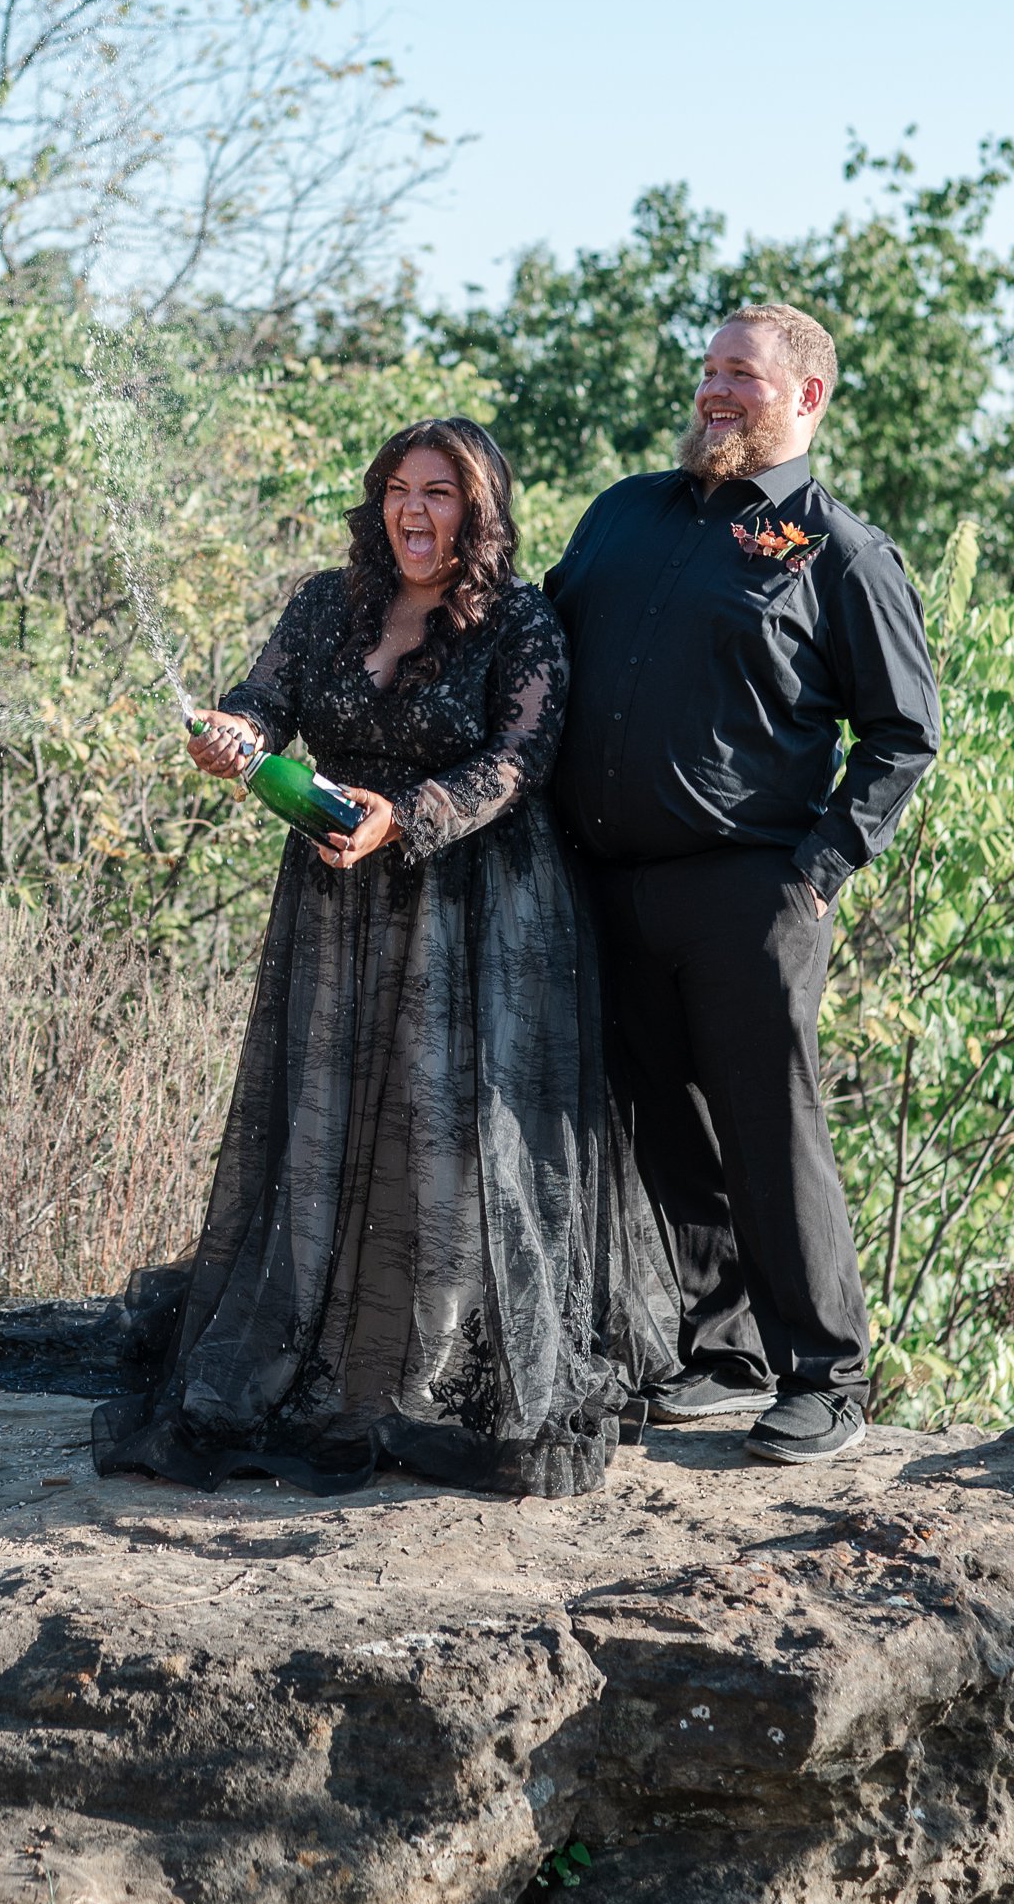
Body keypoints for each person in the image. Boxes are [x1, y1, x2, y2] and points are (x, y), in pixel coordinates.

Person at [92, 419, 676, 1500]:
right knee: (330, 1121)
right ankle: (337, 1355)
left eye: (441, 493)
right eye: (400, 490)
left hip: (478, 913)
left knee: (452, 1138)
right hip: (338, 902)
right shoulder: (327, 603)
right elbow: (260, 707)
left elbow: (517, 763)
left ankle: (432, 1368)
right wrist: (229, 737)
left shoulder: (521, 621)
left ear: (480, 510)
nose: (415, 511)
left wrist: (403, 817)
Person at [544, 304, 941, 1466]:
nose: (716, 391)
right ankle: (725, 1356)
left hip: (751, 893)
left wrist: (817, 872)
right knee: (670, 1126)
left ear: (807, 399)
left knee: (773, 1132)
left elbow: (903, 733)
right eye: (709, 369)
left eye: (744, 376)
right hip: (610, 886)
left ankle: (827, 1374)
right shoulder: (625, 512)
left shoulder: (843, 551)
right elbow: (538, 645)